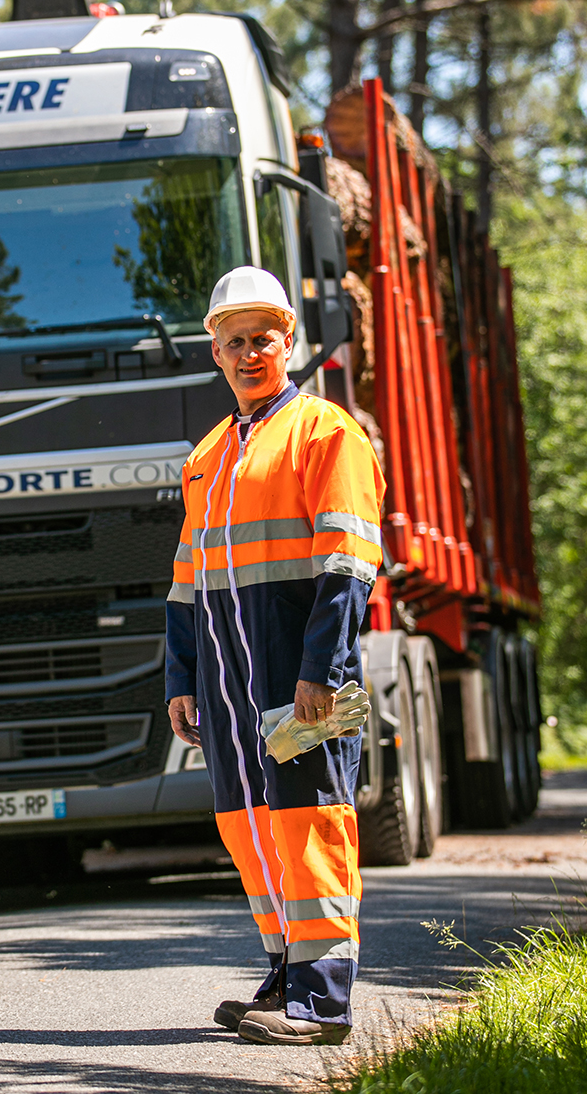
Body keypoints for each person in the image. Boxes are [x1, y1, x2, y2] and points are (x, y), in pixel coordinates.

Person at [165, 266, 385, 1046]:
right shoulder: (209, 454)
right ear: (215, 354)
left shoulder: (327, 432)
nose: (250, 353)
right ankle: (288, 970)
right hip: (227, 690)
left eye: (264, 339)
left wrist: (321, 673)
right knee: (250, 827)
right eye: (235, 342)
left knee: (310, 823)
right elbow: (187, 581)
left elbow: (349, 564)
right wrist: (182, 679)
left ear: (289, 342)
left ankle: (322, 1004)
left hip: (300, 682)